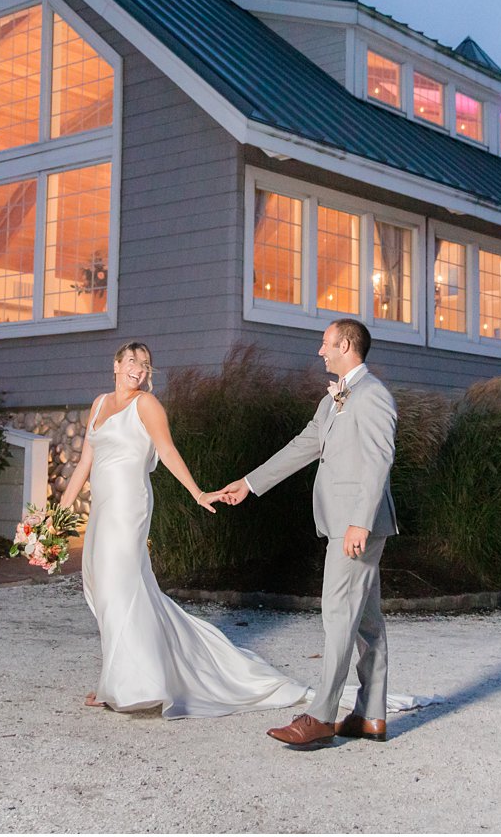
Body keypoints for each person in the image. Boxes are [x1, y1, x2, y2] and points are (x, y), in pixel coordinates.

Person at [56, 341, 309, 718]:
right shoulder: (98, 404)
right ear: (115, 364)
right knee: (103, 588)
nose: (138, 370)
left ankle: (127, 685)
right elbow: (83, 466)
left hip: (129, 506)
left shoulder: (147, 405)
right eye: (131, 362)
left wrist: (196, 492)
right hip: (102, 510)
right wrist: (56, 518)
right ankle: (119, 678)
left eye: (145, 365)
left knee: (117, 587)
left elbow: (169, 451)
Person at [219, 318, 399, 747]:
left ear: (347, 345)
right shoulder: (333, 399)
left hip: (356, 523)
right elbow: (303, 446)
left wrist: (359, 521)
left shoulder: (373, 395)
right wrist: (249, 484)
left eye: (326, 344)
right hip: (345, 521)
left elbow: (379, 461)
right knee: (366, 621)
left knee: (338, 614)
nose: (321, 351)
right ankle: (370, 716)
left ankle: (321, 715)